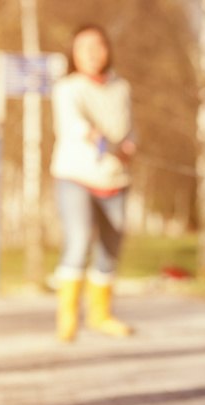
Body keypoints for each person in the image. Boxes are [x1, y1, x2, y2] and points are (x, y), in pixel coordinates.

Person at [51, 24, 136, 342]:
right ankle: (68, 317)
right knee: (80, 238)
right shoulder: (67, 88)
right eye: (83, 47)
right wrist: (93, 135)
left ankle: (100, 315)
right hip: (75, 174)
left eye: (97, 45)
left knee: (110, 248)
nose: (91, 53)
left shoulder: (121, 87)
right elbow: (73, 123)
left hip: (115, 178)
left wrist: (130, 145)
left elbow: (129, 127)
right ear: (74, 53)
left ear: (107, 49)